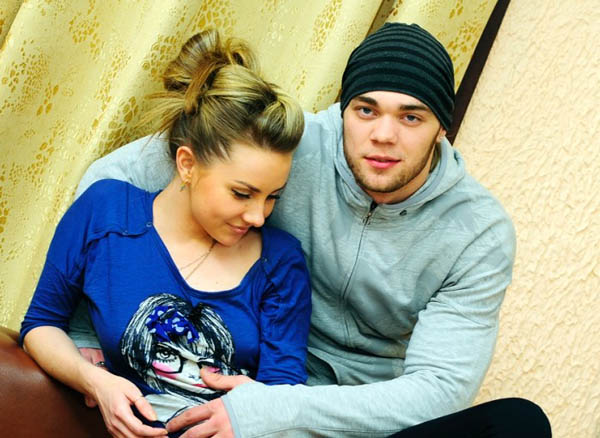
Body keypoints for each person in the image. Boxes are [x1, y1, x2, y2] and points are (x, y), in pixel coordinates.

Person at [67, 23, 552, 437]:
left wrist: (279, 410)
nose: (383, 135)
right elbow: (116, 179)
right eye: (366, 110)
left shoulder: (478, 232)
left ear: (442, 128)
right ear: (343, 109)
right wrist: (85, 325)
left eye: (411, 117)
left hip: (365, 418)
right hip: (259, 374)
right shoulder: (293, 147)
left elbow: (440, 390)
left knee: (518, 423)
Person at [19, 29, 312, 438]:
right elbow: (41, 324)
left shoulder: (280, 262)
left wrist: (257, 407)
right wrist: (97, 383)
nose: (258, 216)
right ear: (188, 164)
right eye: (242, 193)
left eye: (272, 197)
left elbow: (284, 394)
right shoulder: (106, 212)